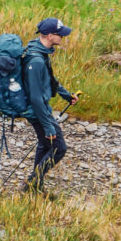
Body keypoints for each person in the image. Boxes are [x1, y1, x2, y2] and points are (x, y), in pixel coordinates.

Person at [22, 17, 79, 194]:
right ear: (49, 36)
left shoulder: (41, 53)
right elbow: (36, 98)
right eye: (59, 34)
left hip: (39, 109)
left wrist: (66, 95)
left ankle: (35, 187)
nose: (63, 37)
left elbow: (50, 79)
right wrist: (48, 126)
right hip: (37, 111)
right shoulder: (36, 61)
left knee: (45, 145)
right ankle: (31, 184)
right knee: (59, 148)